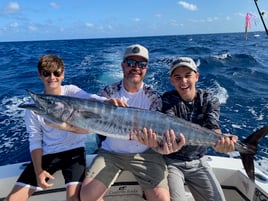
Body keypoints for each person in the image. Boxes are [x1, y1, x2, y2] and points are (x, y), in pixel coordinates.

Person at [79, 44, 185, 201]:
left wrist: (159, 144)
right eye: (131, 63)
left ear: (146, 69)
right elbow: (91, 123)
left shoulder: (153, 97)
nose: (136, 68)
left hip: (145, 154)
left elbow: (158, 138)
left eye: (141, 64)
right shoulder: (108, 93)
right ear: (122, 65)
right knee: (87, 196)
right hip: (111, 153)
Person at [5, 55, 112, 201]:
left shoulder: (71, 91)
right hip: (48, 155)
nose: (52, 77)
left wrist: (107, 100)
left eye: (56, 73)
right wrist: (39, 172)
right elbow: (35, 141)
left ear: (63, 74)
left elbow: (90, 98)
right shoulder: (34, 109)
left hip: (74, 152)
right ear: (40, 75)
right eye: (46, 73)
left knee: (74, 199)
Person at [137, 57, 238, 201]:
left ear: (196, 77)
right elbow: (171, 130)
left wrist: (221, 142)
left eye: (187, 76)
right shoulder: (167, 100)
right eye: (177, 77)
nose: (183, 81)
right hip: (171, 161)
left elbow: (212, 127)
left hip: (199, 161)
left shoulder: (209, 100)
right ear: (172, 80)